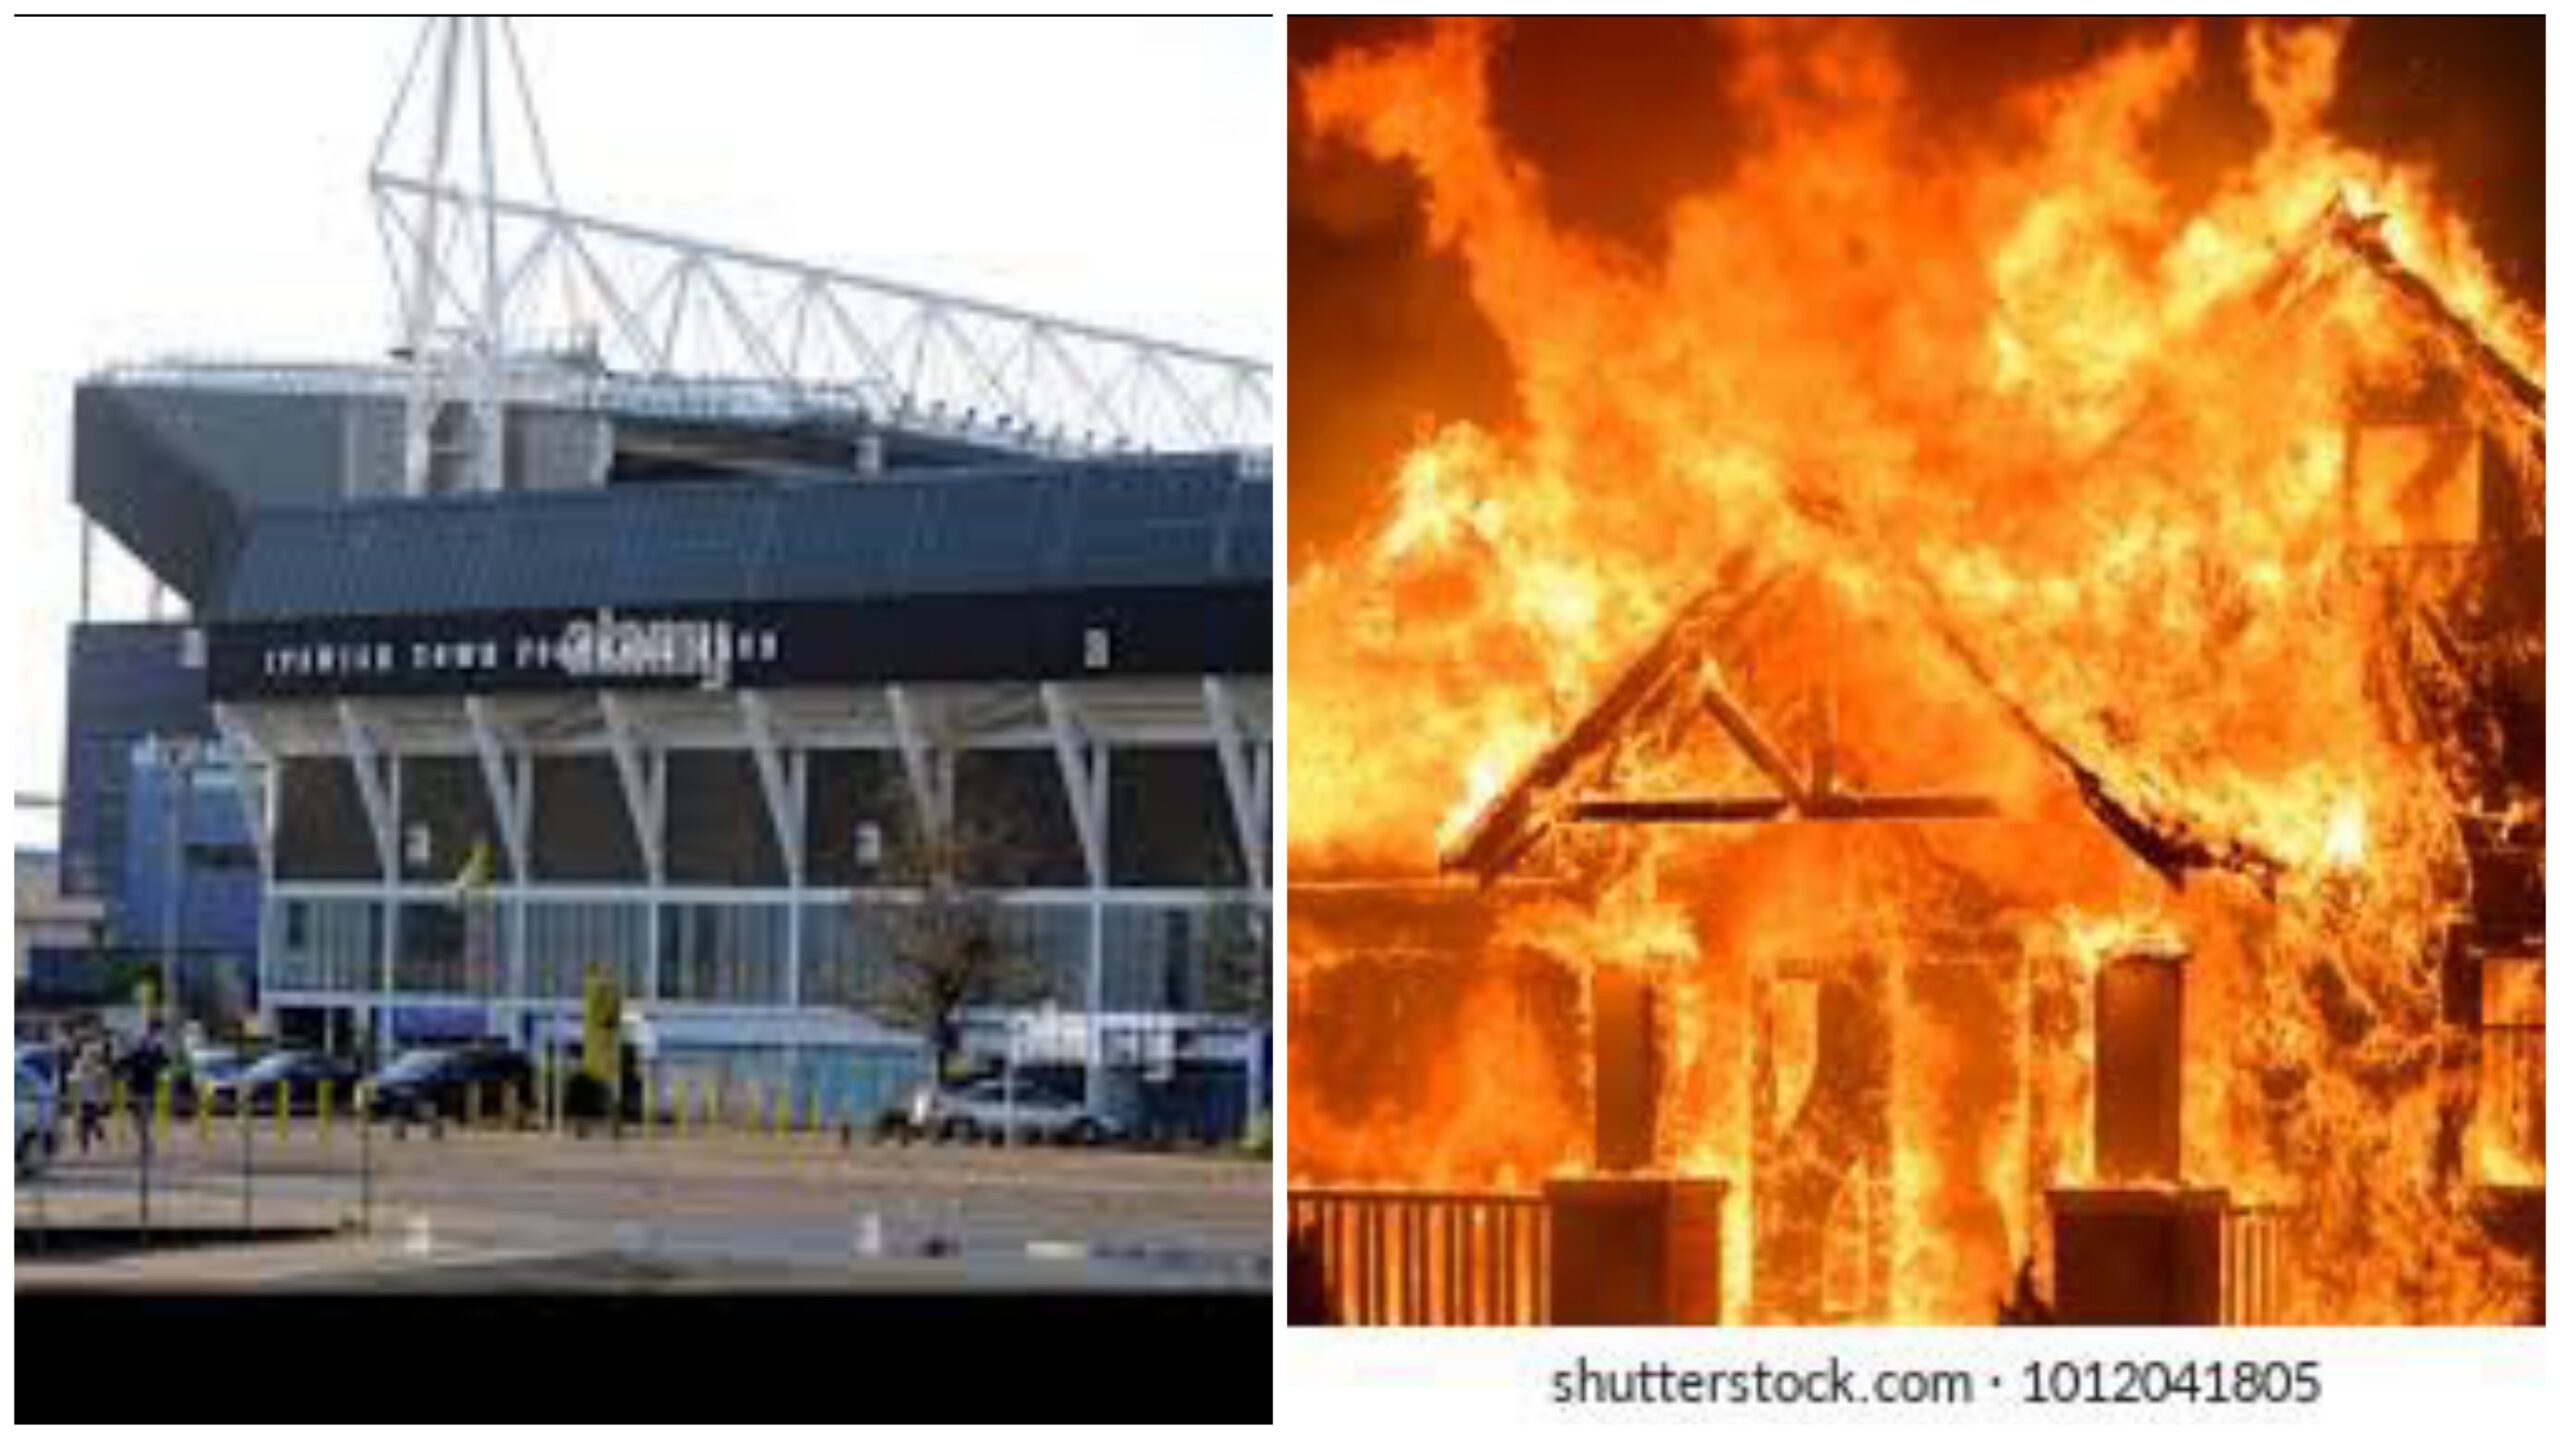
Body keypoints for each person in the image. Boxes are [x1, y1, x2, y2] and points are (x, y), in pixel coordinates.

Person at [70, 1040, 108, 1154]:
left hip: (92, 1098)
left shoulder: (98, 1069)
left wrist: (102, 1098)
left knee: (88, 1121)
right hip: (82, 1097)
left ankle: (91, 1142)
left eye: (90, 1054)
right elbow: (75, 1079)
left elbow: (101, 1084)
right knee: (87, 1121)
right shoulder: (79, 1065)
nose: (87, 1057)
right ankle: (90, 1143)